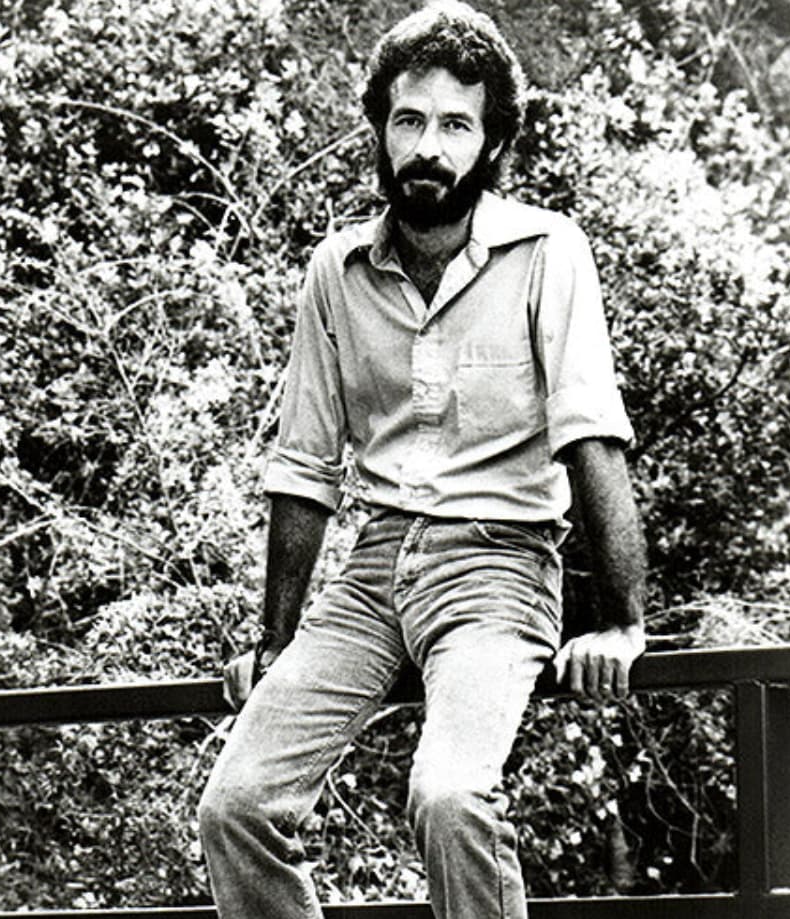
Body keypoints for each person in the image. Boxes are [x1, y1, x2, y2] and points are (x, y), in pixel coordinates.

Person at [198, 3, 646, 917]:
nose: (428, 148)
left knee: (449, 796)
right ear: (380, 129)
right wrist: (275, 640)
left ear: (492, 143)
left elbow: (590, 433)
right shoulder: (336, 271)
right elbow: (304, 465)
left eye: (455, 125)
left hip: (497, 570)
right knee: (236, 806)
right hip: (369, 576)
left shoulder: (547, 252)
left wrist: (621, 622)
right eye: (408, 120)